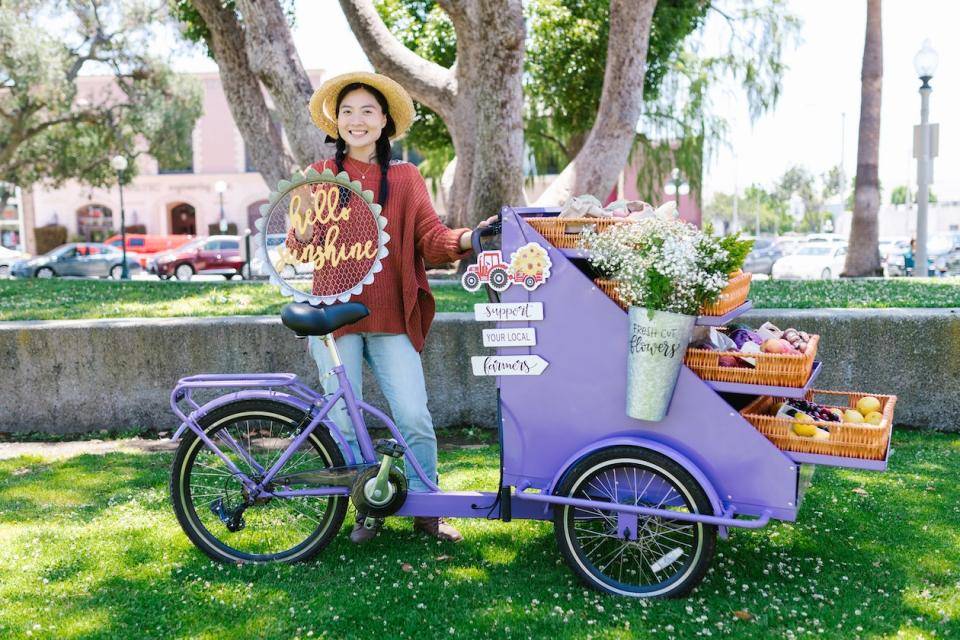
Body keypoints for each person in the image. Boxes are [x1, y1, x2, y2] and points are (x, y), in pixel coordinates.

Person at [293, 71, 493, 544]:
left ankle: (427, 509)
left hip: (390, 317)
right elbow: (299, 249)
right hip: (334, 318)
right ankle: (367, 508)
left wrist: (469, 238)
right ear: (336, 121)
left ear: (384, 121)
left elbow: (430, 237)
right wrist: (301, 221)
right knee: (344, 422)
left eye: (367, 111)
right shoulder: (317, 177)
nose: (357, 120)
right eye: (347, 112)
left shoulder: (405, 178)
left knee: (414, 417)